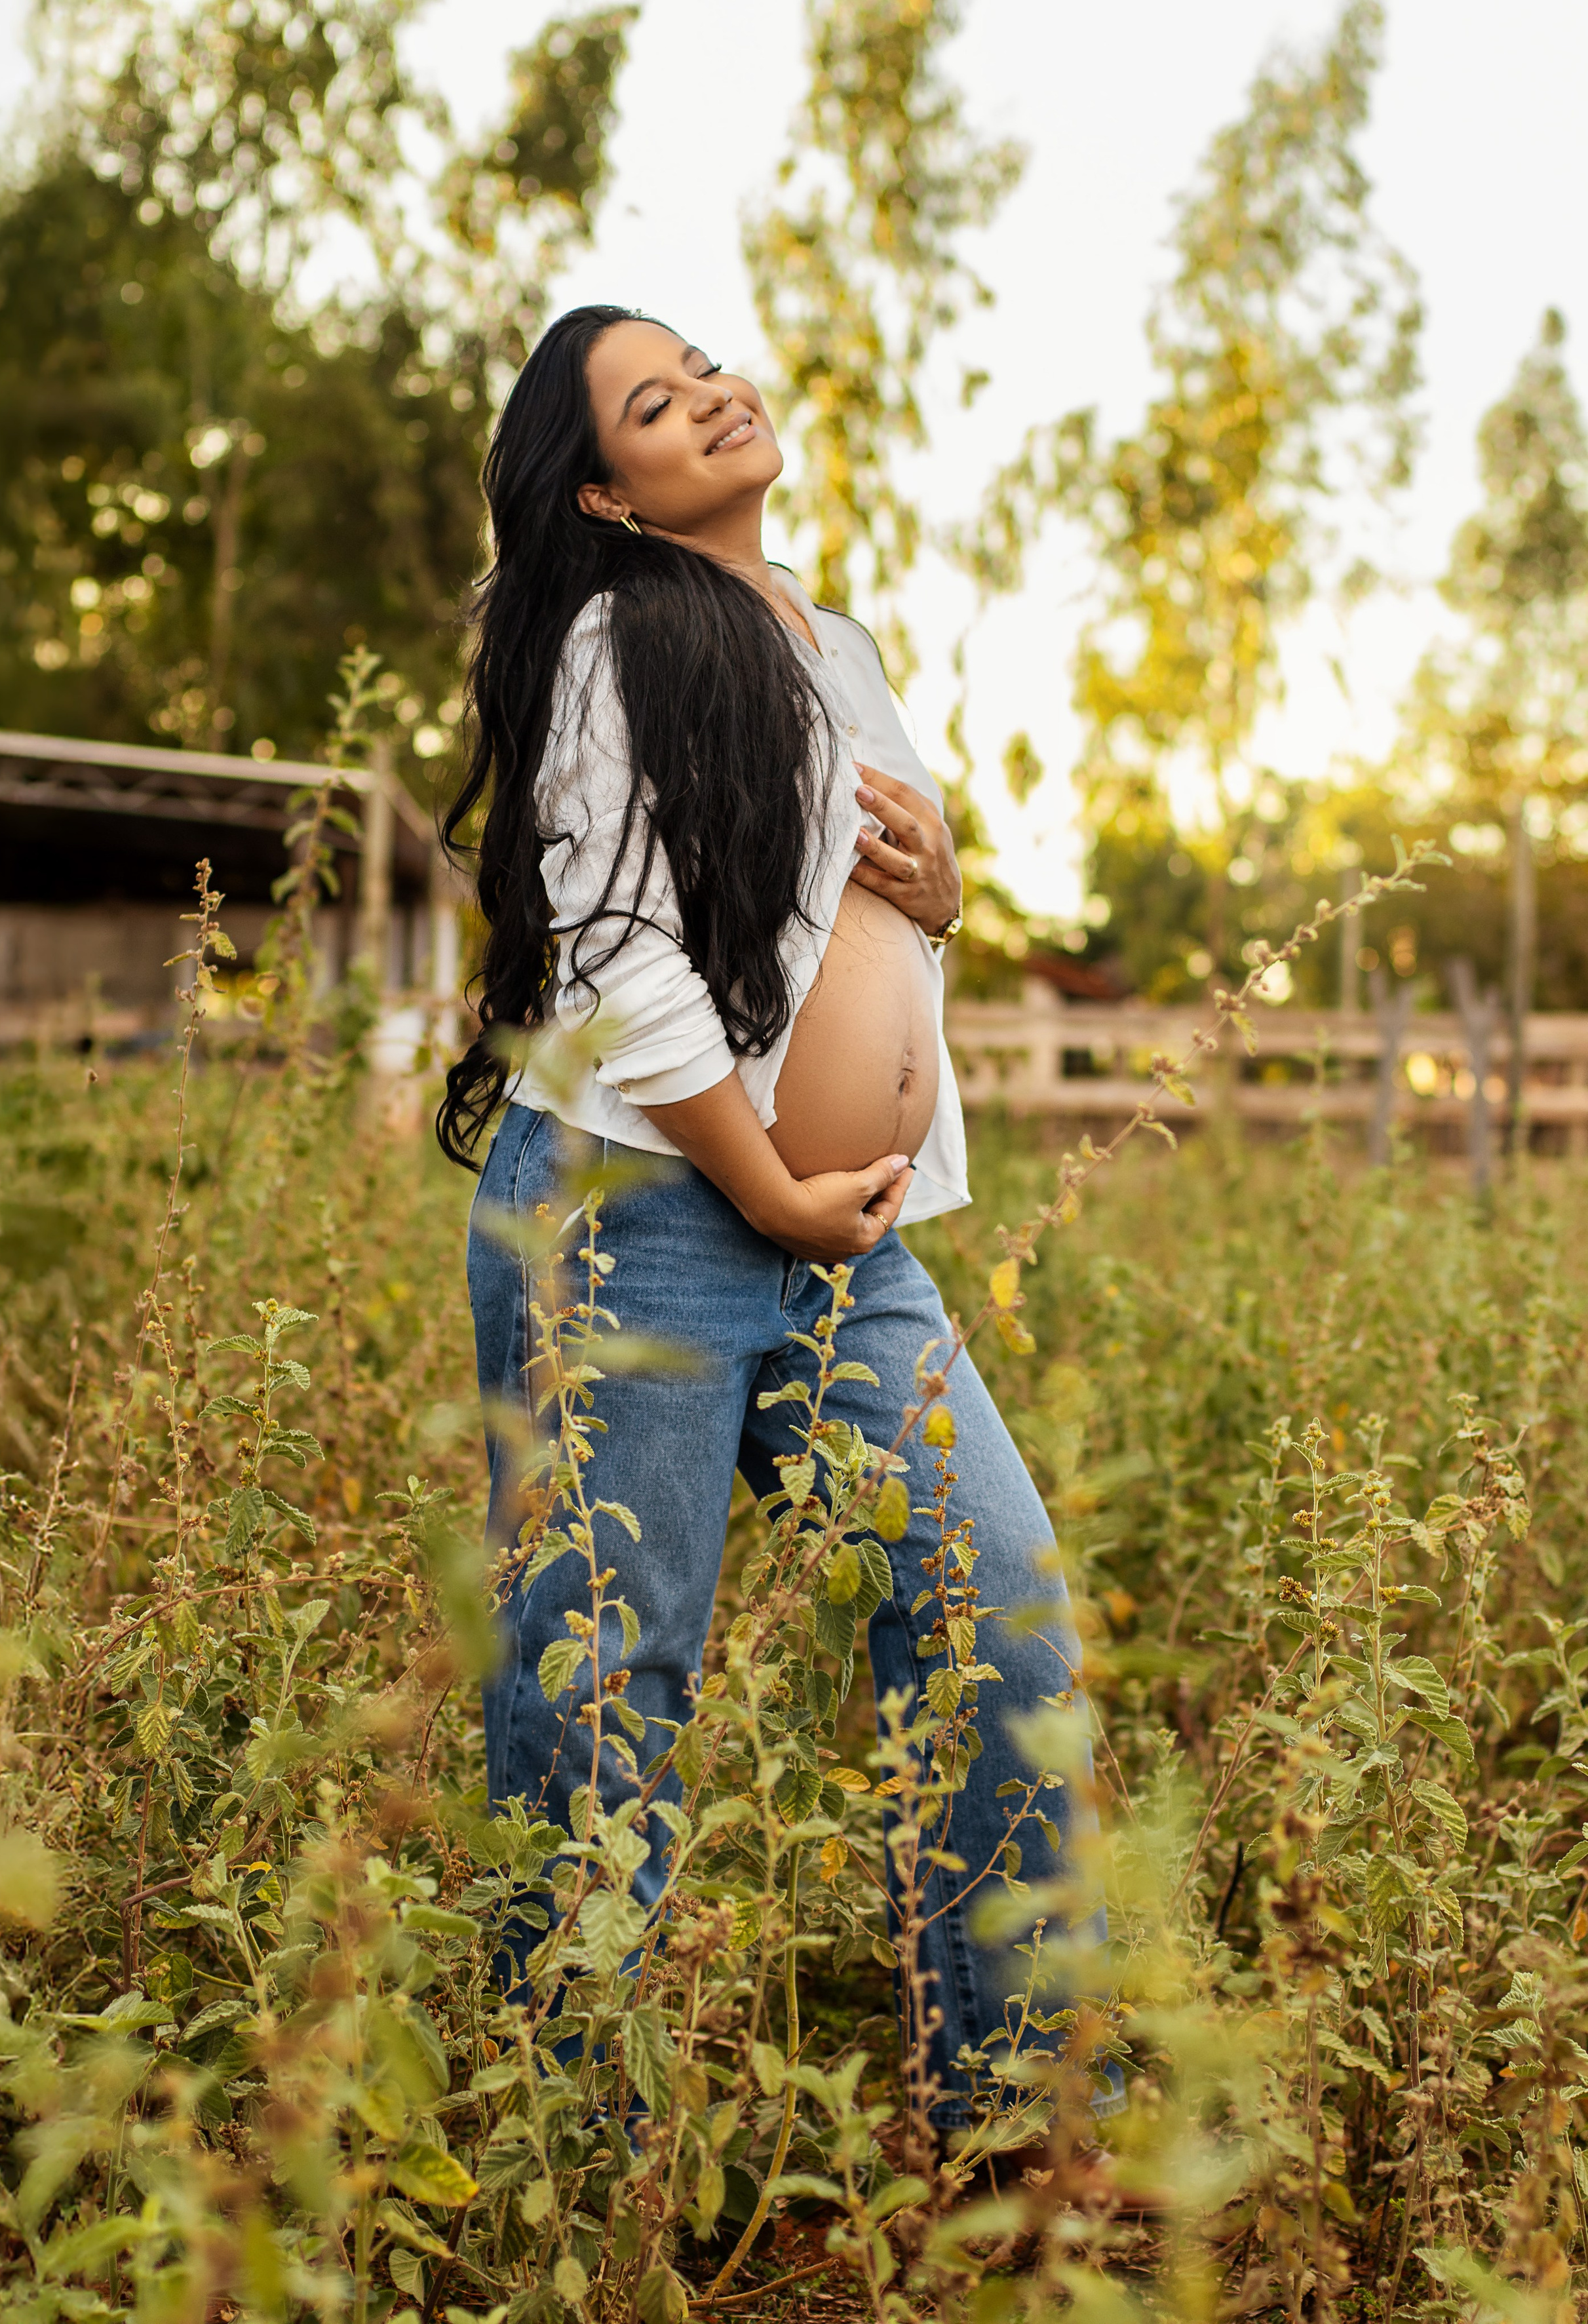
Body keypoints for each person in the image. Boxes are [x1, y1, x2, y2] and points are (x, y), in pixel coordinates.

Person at [438, 303, 1117, 2132]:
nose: (711, 397)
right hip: (644, 1214)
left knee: (998, 1596)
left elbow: (876, 906)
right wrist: (767, 1185)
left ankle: (1006, 2115)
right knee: (605, 1677)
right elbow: (621, 955)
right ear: (610, 489)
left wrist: (958, 891)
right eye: (654, 406)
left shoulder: (838, 632)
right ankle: (562, 2154)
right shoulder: (604, 640)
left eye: (703, 364)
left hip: (844, 1235)